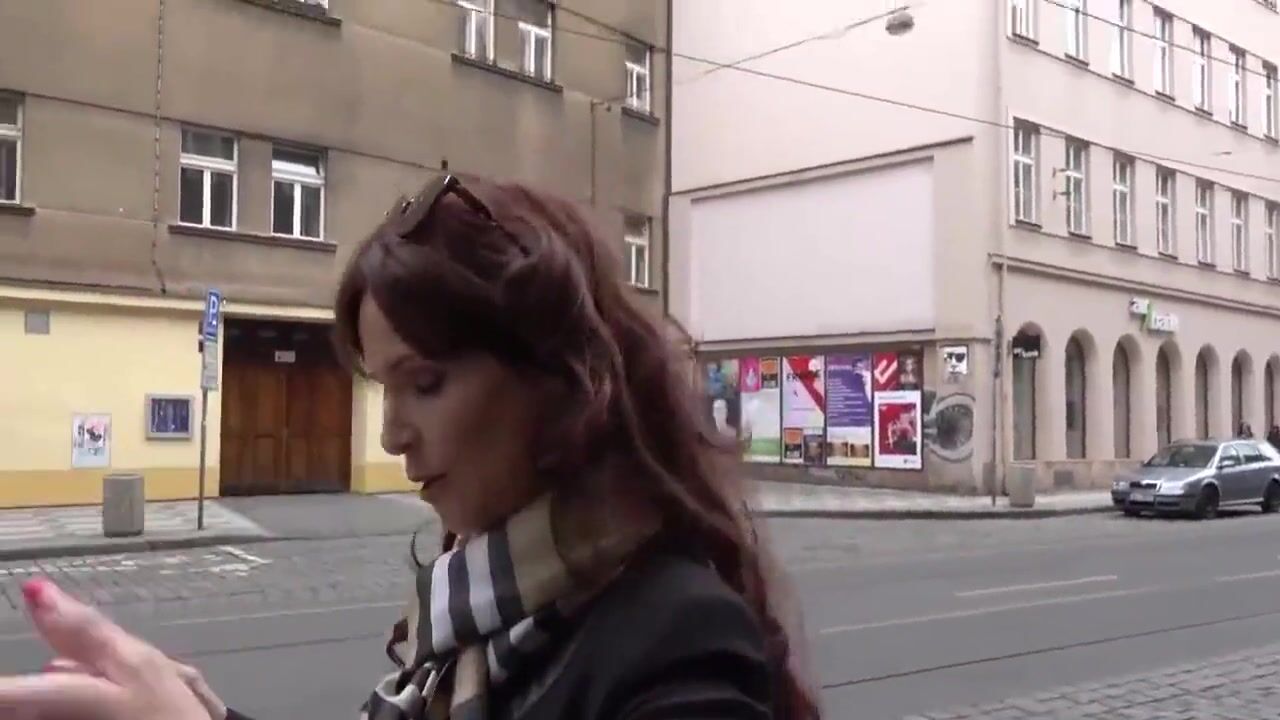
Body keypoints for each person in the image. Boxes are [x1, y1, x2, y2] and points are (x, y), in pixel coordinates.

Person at [0, 175, 819, 720]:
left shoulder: (677, 643)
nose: (393, 434)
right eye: (382, 389)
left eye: (425, 383)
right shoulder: (477, 609)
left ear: (561, 378)